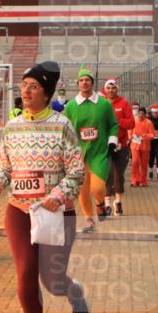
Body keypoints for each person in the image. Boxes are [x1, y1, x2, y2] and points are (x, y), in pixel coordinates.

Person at [0, 61, 88, 313]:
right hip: (19, 210)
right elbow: (3, 165)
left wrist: (58, 194)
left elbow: (76, 170)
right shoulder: (13, 127)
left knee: (52, 280)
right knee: (26, 273)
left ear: (46, 93)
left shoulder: (62, 125)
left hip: (54, 213)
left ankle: (73, 293)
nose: (26, 91)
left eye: (33, 87)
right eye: (23, 86)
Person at [63, 67, 119, 232]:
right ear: (78, 84)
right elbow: (64, 127)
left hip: (99, 151)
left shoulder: (104, 104)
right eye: (81, 80)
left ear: (92, 83)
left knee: (98, 187)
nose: (84, 82)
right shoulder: (71, 106)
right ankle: (89, 220)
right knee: (83, 189)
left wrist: (112, 141)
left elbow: (113, 124)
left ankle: (100, 203)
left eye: (87, 79)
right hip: (79, 153)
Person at [102, 79, 134, 216]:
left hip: (121, 146)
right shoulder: (101, 103)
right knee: (106, 174)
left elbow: (131, 124)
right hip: (105, 146)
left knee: (118, 175)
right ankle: (107, 203)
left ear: (117, 89)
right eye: (108, 88)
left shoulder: (124, 103)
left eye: (113, 87)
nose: (110, 90)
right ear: (105, 89)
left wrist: (117, 120)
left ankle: (118, 202)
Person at [130, 106, 154, 186]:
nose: (141, 115)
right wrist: (131, 136)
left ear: (145, 114)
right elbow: (129, 131)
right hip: (135, 146)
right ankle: (134, 180)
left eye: (142, 113)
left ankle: (143, 181)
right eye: (139, 113)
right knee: (135, 162)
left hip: (145, 147)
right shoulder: (134, 121)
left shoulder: (149, 122)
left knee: (144, 164)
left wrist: (145, 136)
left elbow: (152, 134)